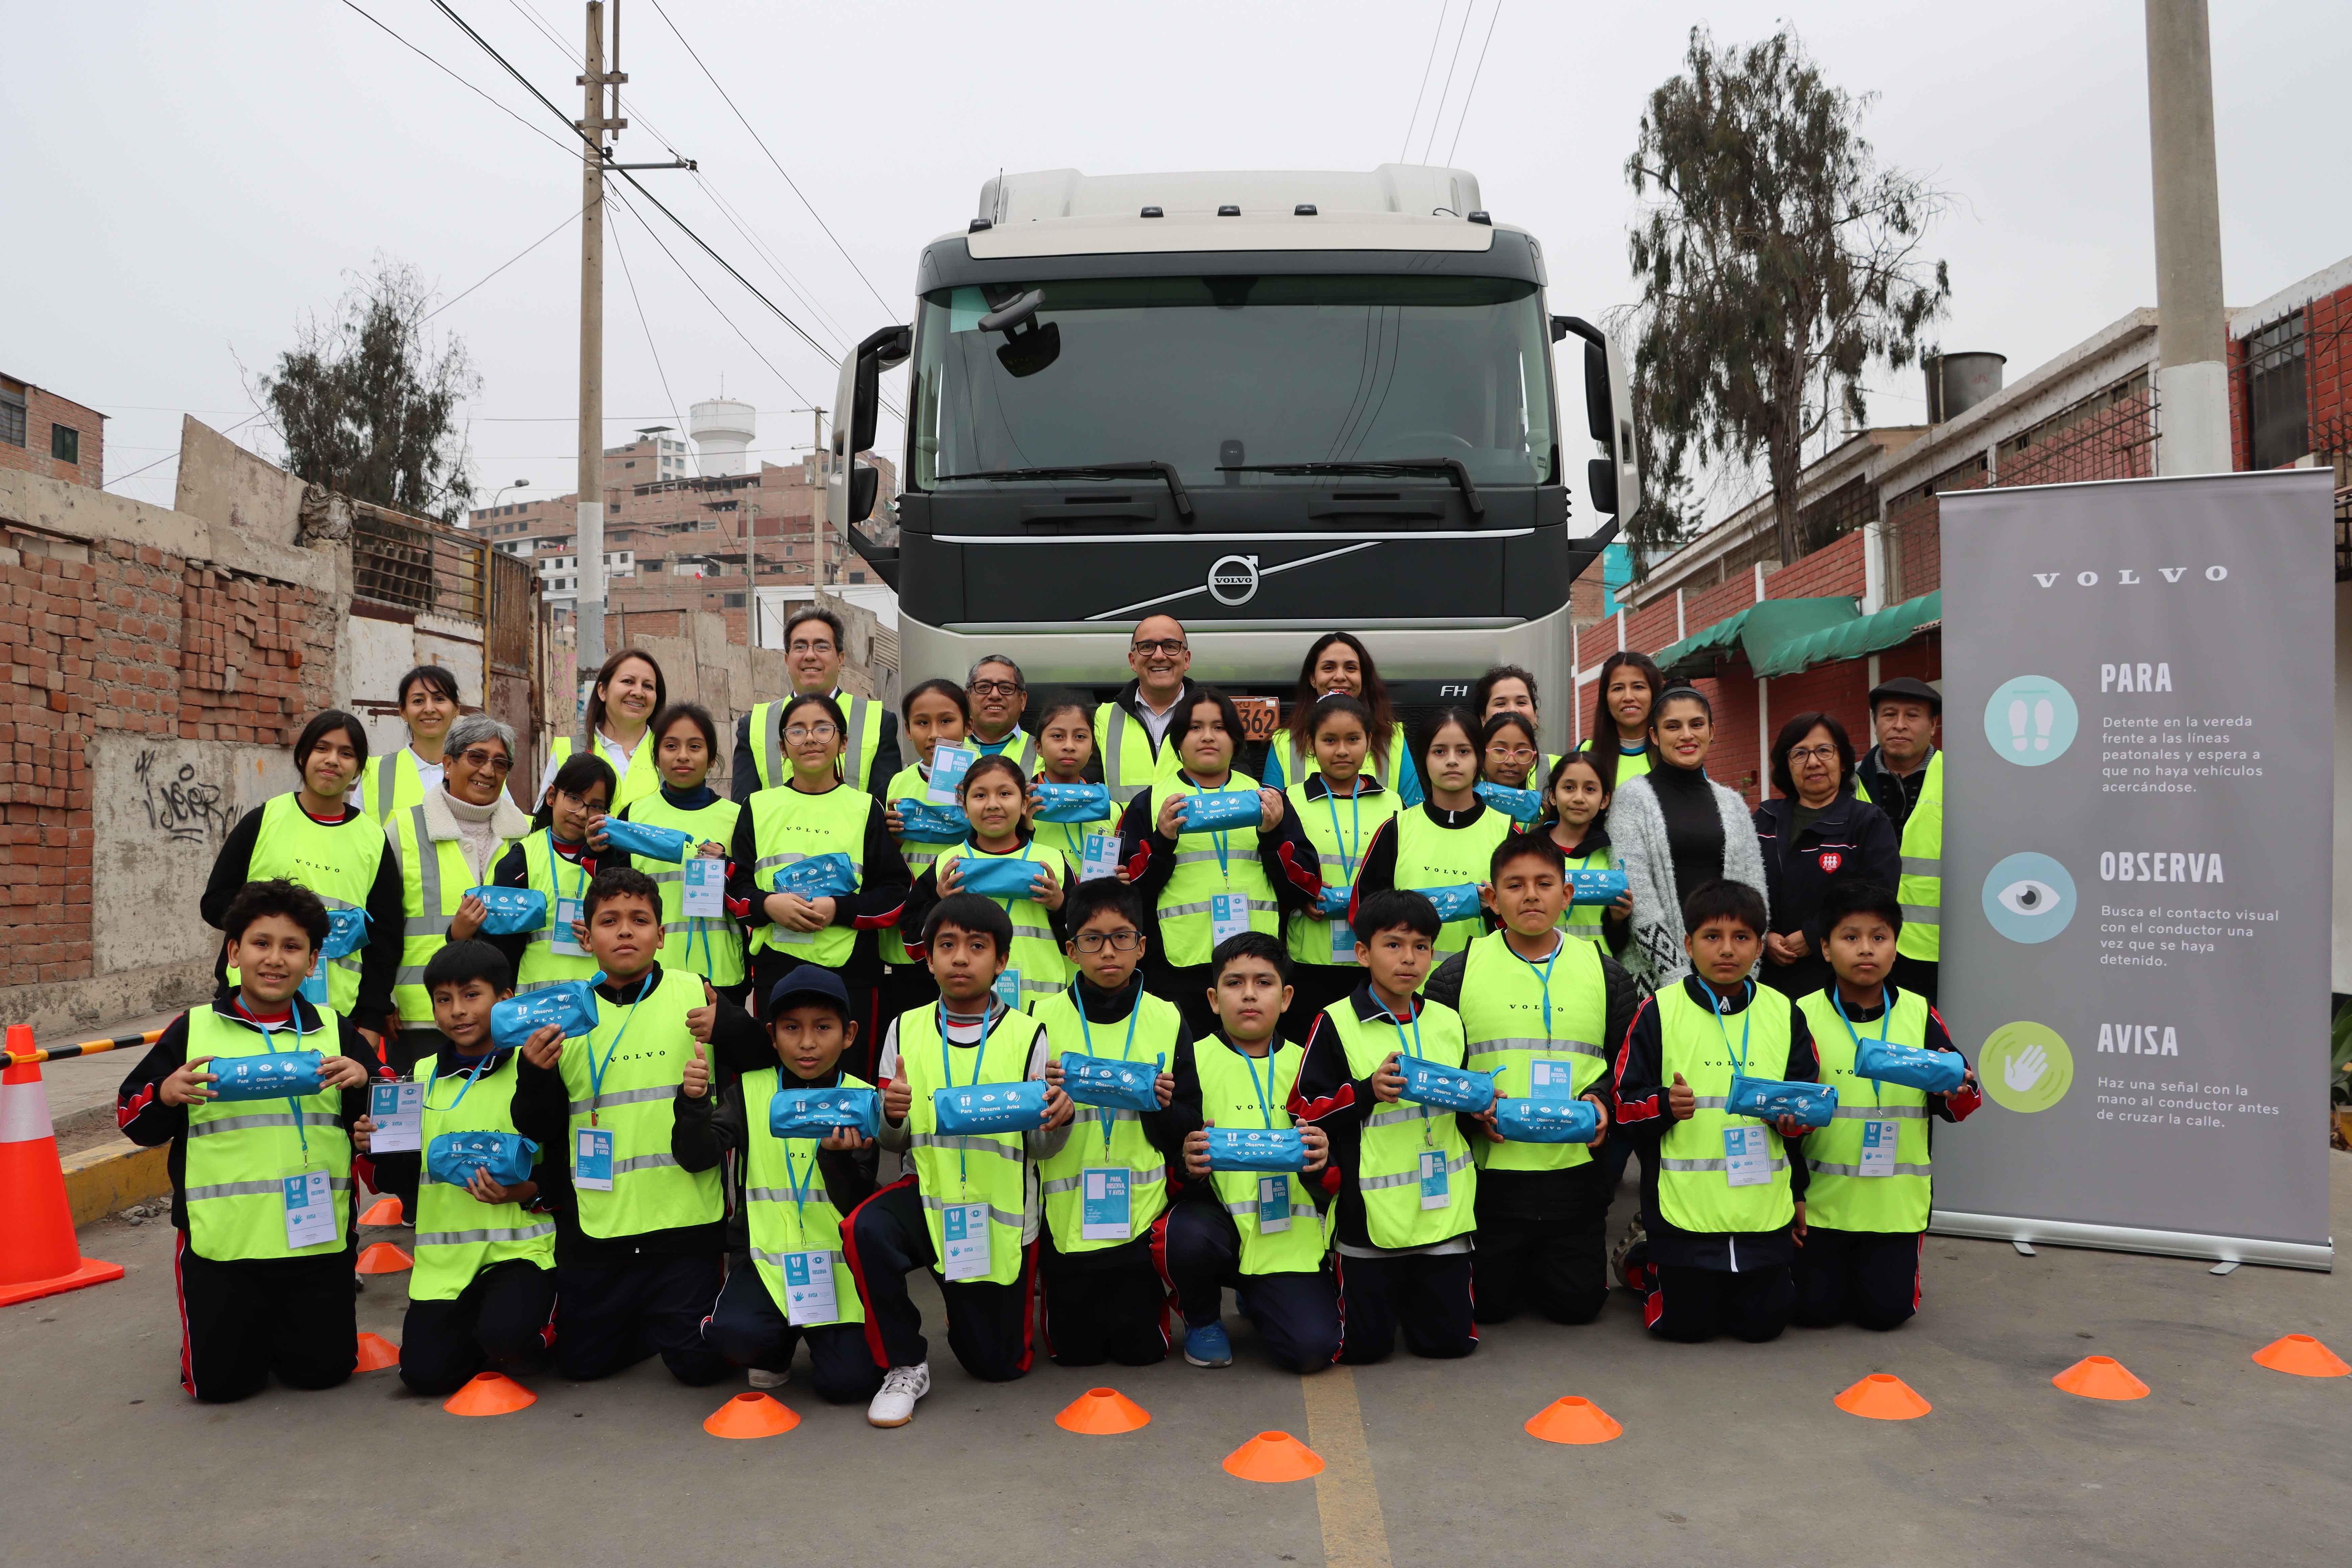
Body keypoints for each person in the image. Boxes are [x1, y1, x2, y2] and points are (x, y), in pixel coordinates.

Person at [114, 879, 376, 1402]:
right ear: (234, 952)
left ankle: (285, 1332)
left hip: (315, 1243)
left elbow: (388, 1121)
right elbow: (131, 1116)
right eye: (261, 943)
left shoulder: (335, 1031)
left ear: (313, 959)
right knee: (221, 1388)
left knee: (322, 1373)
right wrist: (166, 1094)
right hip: (224, 1248)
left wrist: (368, 1087)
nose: (275, 959)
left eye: (292, 946)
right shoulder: (193, 1030)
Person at [516, 866, 755, 1385]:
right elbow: (539, 1125)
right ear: (588, 936)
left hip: (685, 1224)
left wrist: (733, 1025)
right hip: (602, 1223)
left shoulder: (698, 994)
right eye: (609, 921)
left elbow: (763, 1062)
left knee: (700, 1369)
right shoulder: (564, 1013)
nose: (625, 931)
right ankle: (647, 1324)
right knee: (581, 1368)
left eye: (640, 920)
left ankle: (670, 1323)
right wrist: (533, 1076)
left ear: (662, 935)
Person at [849, 895, 1077, 1426]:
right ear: (927, 959)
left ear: (1001, 962)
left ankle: (966, 1306)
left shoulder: (1030, 1034)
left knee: (998, 1367)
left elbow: (1040, 1150)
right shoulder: (904, 1029)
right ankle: (905, 1363)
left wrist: (1058, 1121)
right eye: (946, 946)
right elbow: (893, 1144)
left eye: (977, 947)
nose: (959, 959)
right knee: (865, 1229)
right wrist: (893, 1116)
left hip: (1000, 1220)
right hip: (929, 1199)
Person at [1425, 836, 1636, 1327]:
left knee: (1578, 1308)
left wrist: (1603, 1100)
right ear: (1494, 899)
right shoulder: (1456, 974)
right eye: (1515, 886)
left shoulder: (1606, 973)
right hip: (1494, 1176)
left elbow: (1629, 1064)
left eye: (1545, 884)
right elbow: (1438, 1073)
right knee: (1491, 1308)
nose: (1532, 896)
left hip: (1575, 1175)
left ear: (1568, 895)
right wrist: (1470, 1110)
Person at [1611, 879, 1817, 1344]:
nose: (1727, 950)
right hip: (1684, 1213)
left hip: (1760, 1212)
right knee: (1685, 1330)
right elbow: (1623, 1108)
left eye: (1742, 938)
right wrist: (1663, 1104)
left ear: (1760, 946)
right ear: (1687, 944)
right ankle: (1646, 1259)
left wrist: (1793, 1121)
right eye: (1712, 937)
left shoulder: (1785, 1013)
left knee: (1763, 1329)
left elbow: (1807, 1107)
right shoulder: (1657, 1012)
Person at [362, 940, 563, 1397]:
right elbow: (400, 1179)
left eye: (472, 995)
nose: (458, 1011)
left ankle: (541, 1320)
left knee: (510, 1340)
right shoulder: (421, 1074)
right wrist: (376, 1146)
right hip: (445, 1267)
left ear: (505, 1000)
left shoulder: (534, 1068)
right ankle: (478, 1331)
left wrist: (522, 1191)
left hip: (520, 1255)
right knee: (424, 1376)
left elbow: (561, 1167)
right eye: (444, 1000)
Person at [1290, 889, 1483, 1363]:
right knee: (1365, 1350)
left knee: (1449, 1346)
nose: (1409, 959)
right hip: (1368, 1218)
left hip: (1444, 1213)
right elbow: (1305, 1110)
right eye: (1393, 945)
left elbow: (1463, 1103)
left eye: (1421, 946)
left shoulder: (1448, 1021)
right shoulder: (1335, 1022)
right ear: (1363, 953)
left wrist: (1483, 1106)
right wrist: (1366, 1091)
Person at [678, 966, 886, 1404]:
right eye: (792, 1029)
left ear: (849, 1034)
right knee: (736, 1336)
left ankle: (818, 1337)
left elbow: (859, 1205)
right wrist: (694, 1105)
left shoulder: (862, 1099)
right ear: (772, 1037)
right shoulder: (748, 1091)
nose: (807, 1043)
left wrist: (837, 1157)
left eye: (823, 1028)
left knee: (849, 1385)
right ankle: (773, 1348)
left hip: (839, 1271)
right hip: (765, 1263)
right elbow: (696, 1157)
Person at [1792, 881, 1981, 1331]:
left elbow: (1963, 1103)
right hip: (1822, 1206)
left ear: (1896, 949)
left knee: (1885, 1315)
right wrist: (1794, 1194)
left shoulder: (1920, 1015)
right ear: (1825, 947)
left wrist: (1960, 1091)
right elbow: (1784, 1118)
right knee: (1812, 1313)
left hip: (1894, 1208)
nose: (1866, 950)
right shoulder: (1800, 1015)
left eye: (1879, 938)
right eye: (1850, 937)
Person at [1030, 879, 1192, 1368]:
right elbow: (1022, 1126)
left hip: (1139, 1216)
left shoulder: (1166, 1018)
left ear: (1142, 946)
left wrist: (1161, 1105)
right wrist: (1045, 1098)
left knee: (1142, 1354)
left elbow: (1187, 1129)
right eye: (1092, 939)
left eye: (1122, 937)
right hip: (1065, 1216)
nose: (1108, 951)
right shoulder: (1039, 1018)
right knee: (1074, 1355)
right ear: (1070, 950)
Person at [1167, 932, 1340, 1373]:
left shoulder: (1311, 1061)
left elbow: (1339, 1167)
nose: (1248, 995)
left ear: (1285, 998)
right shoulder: (1188, 1060)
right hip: (1216, 1225)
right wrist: (1187, 1166)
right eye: (1234, 983)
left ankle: (1257, 1292)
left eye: (1263, 983)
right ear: (1212, 997)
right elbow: (1164, 1156)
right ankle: (1204, 1319)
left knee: (1312, 1352)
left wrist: (1323, 1163)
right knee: (1183, 1235)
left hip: (1287, 1236)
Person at [1117, 686, 1320, 1041]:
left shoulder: (1266, 798)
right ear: (1178, 741)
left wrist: (1272, 836)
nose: (1208, 736)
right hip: (1179, 968)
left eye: (1220, 727)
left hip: (1257, 966)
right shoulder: (1150, 803)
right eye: (1195, 727)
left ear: (1236, 739)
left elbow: (1304, 886)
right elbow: (1127, 893)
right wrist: (1162, 839)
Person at [727, 692, 911, 1070]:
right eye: (797, 731)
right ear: (782, 748)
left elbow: (896, 893)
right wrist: (767, 905)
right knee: (778, 1079)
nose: (810, 738)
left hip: (852, 975)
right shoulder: (758, 807)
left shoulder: (864, 808)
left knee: (853, 1083)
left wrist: (839, 909)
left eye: (822, 728)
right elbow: (735, 886)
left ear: (843, 742)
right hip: (777, 970)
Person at [202, 709, 403, 1047]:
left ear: (358, 767)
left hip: (337, 1016)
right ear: (302, 756)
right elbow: (214, 902)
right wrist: (272, 919)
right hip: (249, 1007)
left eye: (347, 753)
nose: (333, 760)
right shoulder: (264, 820)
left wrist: (371, 1016)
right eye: (322, 748)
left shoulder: (373, 839)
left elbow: (386, 936)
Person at [385, 713, 535, 1076]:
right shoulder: (404, 828)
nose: (488, 770)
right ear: (448, 764)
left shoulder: (529, 835)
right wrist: (383, 1000)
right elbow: (383, 924)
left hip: (508, 1013)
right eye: (477, 757)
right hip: (424, 1013)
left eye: (500, 763)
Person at [1608, 687, 1768, 993]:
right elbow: (1637, 890)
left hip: (1731, 975)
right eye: (1673, 726)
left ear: (1712, 731)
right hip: (1657, 982)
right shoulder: (1632, 799)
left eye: (1696, 725)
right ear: (1654, 736)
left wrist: (1746, 968)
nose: (1686, 735)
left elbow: (1755, 890)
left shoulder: (1733, 804)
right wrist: (1675, 975)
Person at [903, 755, 1077, 1013]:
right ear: (963, 806)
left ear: (1024, 803)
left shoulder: (1053, 863)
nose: (993, 805)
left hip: (1044, 1007)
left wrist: (1059, 905)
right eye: (980, 796)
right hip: (965, 1006)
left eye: (1005, 794)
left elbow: (1084, 940)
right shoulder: (946, 865)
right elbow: (913, 944)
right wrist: (939, 903)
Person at [1350, 709, 1513, 970]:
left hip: (1483, 980)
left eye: (1463, 751)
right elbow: (1364, 911)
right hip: (1406, 988)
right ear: (1423, 759)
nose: (1451, 761)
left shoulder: (1507, 833)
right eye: (1439, 751)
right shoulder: (1396, 829)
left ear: (1480, 759)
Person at [1753, 713, 1900, 1000]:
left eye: (1824, 751)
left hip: (1841, 981)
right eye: (1800, 753)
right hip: (1767, 980)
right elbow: (1739, 886)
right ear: (1787, 765)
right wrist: (1762, 935)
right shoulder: (1763, 820)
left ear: (1843, 761)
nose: (1813, 762)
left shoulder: (1868, 822)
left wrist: (1814, 935)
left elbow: (1879, 896)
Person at [1279, 693, 1399, 1038]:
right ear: (1311, 744)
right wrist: (1300, 897)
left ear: (1370, 742)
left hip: (1373, 955)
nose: (1342, 750)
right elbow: (1278, 867)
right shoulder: (1292, 799)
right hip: (1310, 958)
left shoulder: (1393, 803)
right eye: (1330, 740)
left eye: (1353, 739)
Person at [614, 703, 746, 1004]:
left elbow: (750, 891)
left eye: (695, 747)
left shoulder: (738, 818)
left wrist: (728, 866)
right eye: (671, 746)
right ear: (657, 756)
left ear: (712, 759)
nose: (683, 756)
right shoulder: (634, 816)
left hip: (722, 975)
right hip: (648, 972)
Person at [878, 679, 974, 1019]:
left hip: (968, 921)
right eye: (922, 723)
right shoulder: (899, 782)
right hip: (913, 927)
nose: (934, 733)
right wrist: (893, 839)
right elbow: (890, 861)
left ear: (968, 725)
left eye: (946, 721)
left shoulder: (985, 778)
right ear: (907, 730)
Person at [734, 606, 901, 801]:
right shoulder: (754, 725)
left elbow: (886, 807)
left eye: (822, 646)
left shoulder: (879, 721)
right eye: (800, 647)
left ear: (840, 660)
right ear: (787, 661)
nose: (810, 655)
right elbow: (743, 809)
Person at [1853, 677, 1944, 1003]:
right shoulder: (1845, 782)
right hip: (1861, 947)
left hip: (1935, 952)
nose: (1900, 725)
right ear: (1876, 723)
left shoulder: (1961, 779)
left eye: (1913, 716)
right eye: (1890, 715)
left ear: (1934, 725)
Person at [493, 752, 614, 995]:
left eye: (596, 806)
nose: (582, 813)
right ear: (551, 797)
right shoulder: (521, 860)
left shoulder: (613, 863)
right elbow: (502, 945)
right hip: (537, 1007)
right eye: (574, 798)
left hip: (602, 1002)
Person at [1261, 631, 1423, 806]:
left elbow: (1412, 815)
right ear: (1313, 679)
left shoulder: (1393, 738)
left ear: (1363, 678)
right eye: (1329, 668)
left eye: (1351, 668)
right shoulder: (1284, 741)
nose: (1340, 676)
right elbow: (1271, 814)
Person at [1096, 614, 1203, 807]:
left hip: (1192, 836)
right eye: (1147, 647)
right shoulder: (1102, 719)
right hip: (1125, 835)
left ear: (1186, 659)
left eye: (1171, 646)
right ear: (1132, 661)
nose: (1159, 656)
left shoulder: (1214, 715)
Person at [542, 648, 665, 813]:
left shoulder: (668, 751)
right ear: (603, 691)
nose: (638, 692)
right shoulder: (568, 749)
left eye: (648, 686)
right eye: (628, 681)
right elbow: (544, 824)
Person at [1543, 752, 1632, 953]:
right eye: (1569, 788)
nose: (1579, 798)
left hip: (1598, 967)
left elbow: (1622, 943)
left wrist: (1618, 919)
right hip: (1538, 963)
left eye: (1590, 789)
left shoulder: (1614, 855)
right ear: (1552, 796)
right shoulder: (1529, 851)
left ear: (1604, 800)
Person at [1025, 695, 1117, 873]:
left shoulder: (1110, 810)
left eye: (1080, 737)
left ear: (1092, 748)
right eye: (1058, 736)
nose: (1069, 746)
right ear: (1038, 747)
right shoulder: (1023, 807)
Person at [358, 664, 460, 823]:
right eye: (418, 701)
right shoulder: (375, 773)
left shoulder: (479, 769)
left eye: (439, 699)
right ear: (403, 712)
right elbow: (358, 837)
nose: (429, 709)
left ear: (456, 709)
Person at [1583, 651, 1664, 791]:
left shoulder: (1674, 754)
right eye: (1618, 688)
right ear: (1606, 698)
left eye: (1638, 687)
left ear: (1654, 694)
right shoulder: (1584, 754)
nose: (1628, 697)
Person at [1472, 665, 1564, 784]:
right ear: (1483, 718)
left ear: (1535, 715)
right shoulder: (1467, 770)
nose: (1512, 710)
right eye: (1500, 704)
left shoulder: (1562, 768)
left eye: (1521, 702)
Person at [965, 654, 1035, 768]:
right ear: (968, 698)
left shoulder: (1045, 753)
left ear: (1022, 700)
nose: (995, 695)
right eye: (984, 687)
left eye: (1006, 688)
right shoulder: (942, 749)